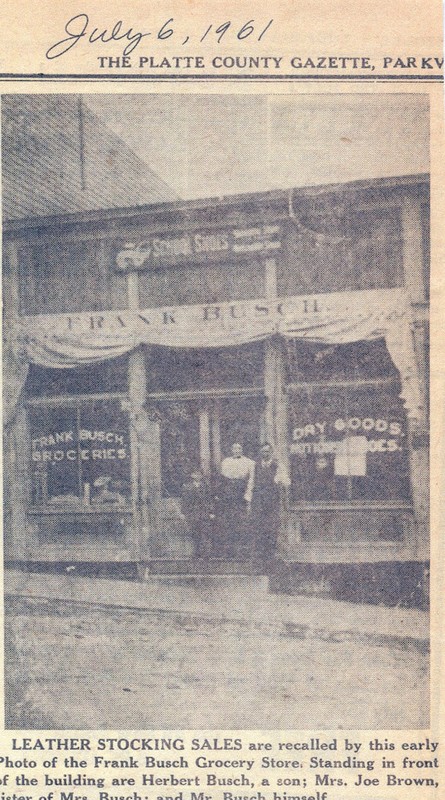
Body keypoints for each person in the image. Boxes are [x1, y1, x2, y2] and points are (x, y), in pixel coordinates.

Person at [252, 443, 290, 562]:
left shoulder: (277, 465)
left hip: (273, 502)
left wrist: (280, 480)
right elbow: (252, 483)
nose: (265, 454)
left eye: (267, 451)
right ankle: (262, 556)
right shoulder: (256, 466)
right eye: (263, 451)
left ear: (271, 452)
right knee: (261, 527)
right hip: (259, 501)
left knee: (272, 527)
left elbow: (287, 481)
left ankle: (271, 555)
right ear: (260, 453)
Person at [218, 443, 255, 559]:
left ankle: (242, 551)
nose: (237, 451)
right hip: (229, 494)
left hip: (241, 493)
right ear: (231, 450)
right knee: (228, 521)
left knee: (242, 521)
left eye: (239, 448)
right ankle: (229, 550)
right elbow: (223, 480)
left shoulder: (250, 463)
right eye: (234, 448)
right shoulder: (225, 462)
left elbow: (251, 481)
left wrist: (247, 496)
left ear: (243, 449)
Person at [181, 470, 214, 557]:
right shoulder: (187, 487)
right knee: (195, 533)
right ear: (192, 475)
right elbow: (185, 501)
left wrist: (211, 512)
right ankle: (196, 552)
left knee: (205, 533)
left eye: (199, 474)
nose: (197, 476)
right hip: (192, 513)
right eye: (195, 474)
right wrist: (183, 513)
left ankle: (206, 553)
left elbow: (209, 500)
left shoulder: (206, 487)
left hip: (204, 513)